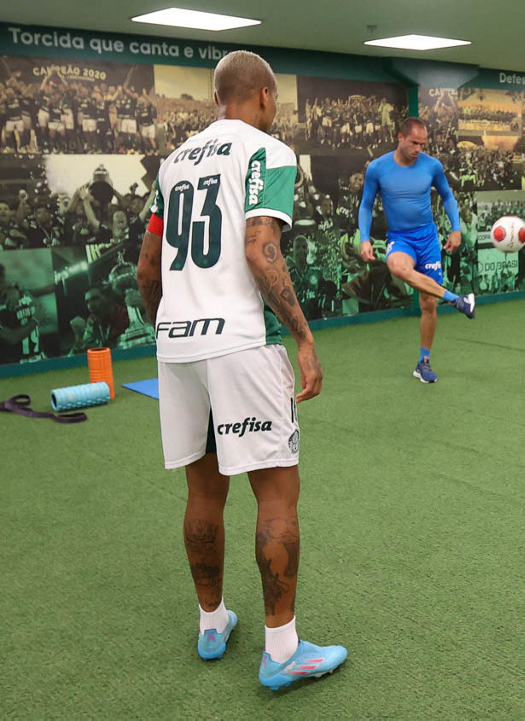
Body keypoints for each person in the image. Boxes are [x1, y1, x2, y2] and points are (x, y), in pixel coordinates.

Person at [134, 50, 347, 689]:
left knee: (203, 493)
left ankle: (212, 622)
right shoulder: (267, 150)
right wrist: (303, 337)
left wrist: (171, 331)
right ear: (262, 96)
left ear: (216, 98)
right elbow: (260, 249)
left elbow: (147, 269)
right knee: (276, 493)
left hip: (177, 346)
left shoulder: (173, 163)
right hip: (241, 344)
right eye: (274, 100)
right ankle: (282, 650)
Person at [359, 117, 475, 384]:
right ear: (400, 138)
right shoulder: (377, 168)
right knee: (397, 267)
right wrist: (365, 238)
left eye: (423, 144)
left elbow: (447, 196)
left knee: (428, 302)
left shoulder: (432, 166)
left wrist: (456, 228)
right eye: (414, 143)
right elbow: (366, 205)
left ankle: (423, 363)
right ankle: (456, 300)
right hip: (401, 238)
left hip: (428, 239)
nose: (418, 149)